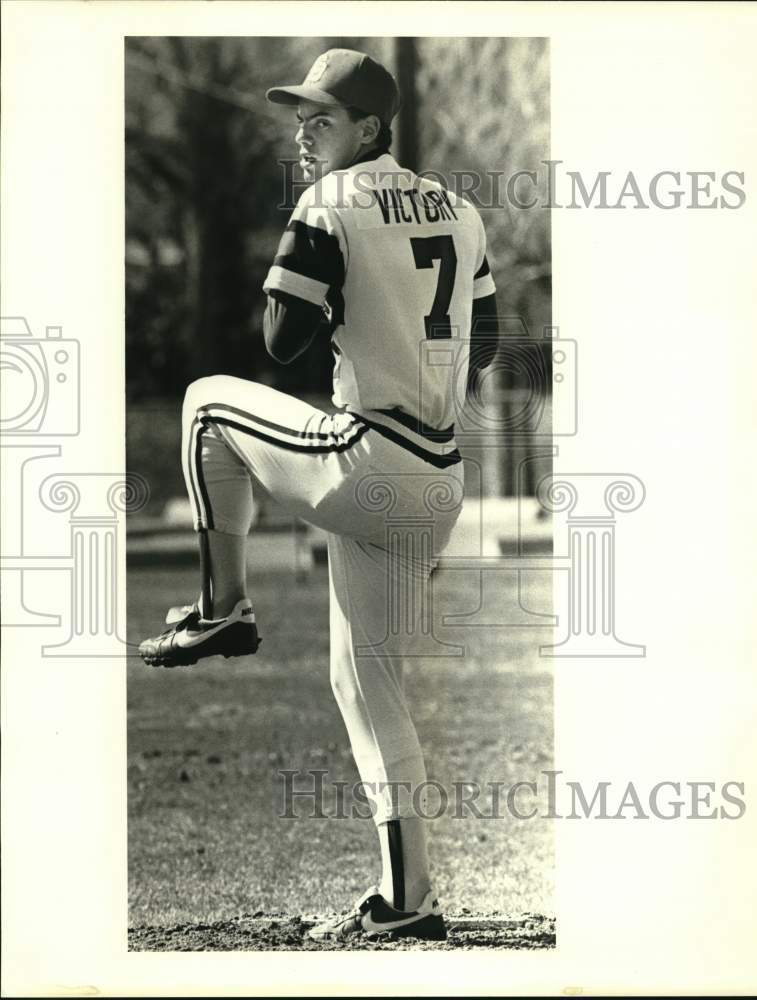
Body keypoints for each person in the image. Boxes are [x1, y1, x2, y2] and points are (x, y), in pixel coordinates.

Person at [140, 48, 498, 942]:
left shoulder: (328, 203)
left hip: (369, 458)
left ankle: (223, 607)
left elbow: (282, 340)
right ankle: (409, 900)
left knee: (204, 406)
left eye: (322, 119)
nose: (304, 131)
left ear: (370, 128)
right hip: (439, 476)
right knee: (366, 680)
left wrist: (336, 294)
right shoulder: (460, 209)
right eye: (300, 117)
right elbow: (483, 345)